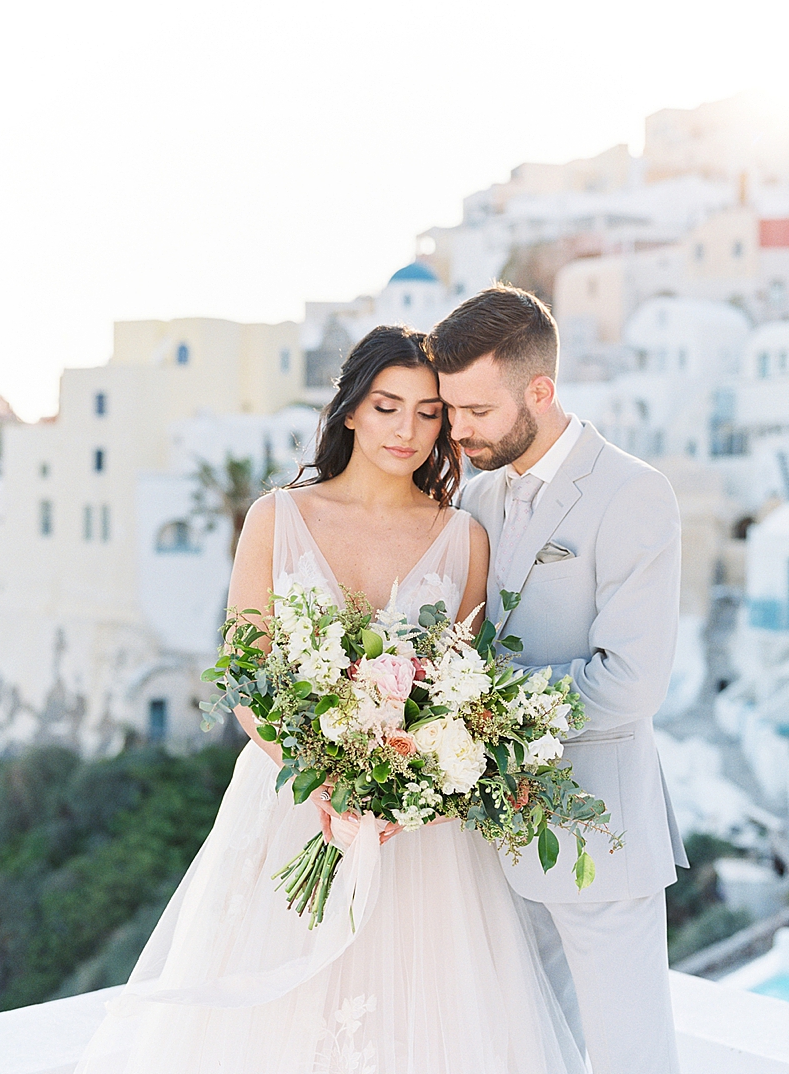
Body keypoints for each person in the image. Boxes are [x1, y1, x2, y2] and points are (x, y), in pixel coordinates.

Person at [75, 325, 588, 1074]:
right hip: (292, 802)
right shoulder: (278, 518)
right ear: (351, 410)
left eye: (427, 412)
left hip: (421, 836)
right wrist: (328, 779)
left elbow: (464, 691)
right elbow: (244, 673)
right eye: (387, 407)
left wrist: (408, 782)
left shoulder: (464, 539)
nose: (406, 430)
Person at [426, 285, 689, 1074]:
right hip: (494, 829)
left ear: (539, 391)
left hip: (597, 828)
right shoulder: (478, 491)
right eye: (450, 410)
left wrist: (484, 713)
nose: (458, 431)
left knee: (628, 1054)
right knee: (533, 1047)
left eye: (475, 410)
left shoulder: (634, 494)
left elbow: (631, 682)